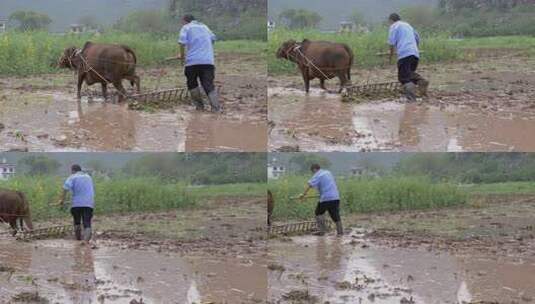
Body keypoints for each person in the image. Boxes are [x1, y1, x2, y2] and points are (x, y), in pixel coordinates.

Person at [176, 14, 221, 112]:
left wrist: (182, 56)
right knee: (208, 83)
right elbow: (213, 39)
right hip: (208, 61)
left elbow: (182, 43)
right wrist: (205, 49)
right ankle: (216, 108)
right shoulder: (205, 27)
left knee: (192, 83)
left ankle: (199, 107)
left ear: (185, 21)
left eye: (182, 22)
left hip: (192, 61)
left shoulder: (186, 27)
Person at [387, 13, 429, 101]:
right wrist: (414, 49)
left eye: (389, 22)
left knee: (403, 78)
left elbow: (391, 43)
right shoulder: (408, 25)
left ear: (391, 20)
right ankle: (421, 80)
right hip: (415, 53)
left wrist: (390, 57)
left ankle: (411, 100)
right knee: (409, 73)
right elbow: (417, 38)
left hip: (404, 53)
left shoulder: (394, 26)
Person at [299, 164, 343, 236]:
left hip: (326, 198)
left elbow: (310, 185)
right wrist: (322, 193)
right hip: (335, 197)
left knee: (318, 213)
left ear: (314, 169)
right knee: (335, 215)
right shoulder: (328, 172)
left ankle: (322, 231)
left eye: (313, 171)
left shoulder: (318, 174)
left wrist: (303, 195)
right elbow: (328, 184)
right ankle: (340, 232)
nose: (313, 173)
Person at [59, 164, 95, 241]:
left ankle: (78, 240)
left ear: (73, 170)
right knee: (87, 222)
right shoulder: (88, 177)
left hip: (76, 204)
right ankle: (85, 241)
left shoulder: (72, 177)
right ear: (80, 170)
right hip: (88, 203)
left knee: (77, 221)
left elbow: (65, 188)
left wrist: (62, 200)